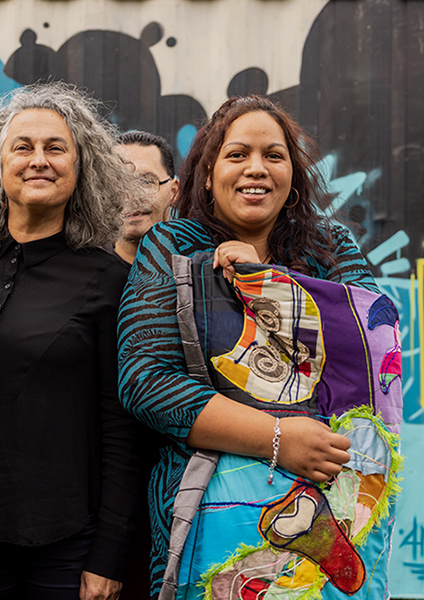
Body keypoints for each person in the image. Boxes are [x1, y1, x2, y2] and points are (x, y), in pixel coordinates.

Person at [117, 96, 383, 598]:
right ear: (208, 171)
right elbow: (144, 381)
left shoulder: (331, 245)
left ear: (293, 175)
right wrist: (277, 437)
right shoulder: (173, 246)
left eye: (274, 155)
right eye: (237, 154)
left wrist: (269, 283)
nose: (255, 169)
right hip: (204, 513)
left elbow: (373, 350)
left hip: (331, 498)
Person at [0, 82, 143, 600]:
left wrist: (109, 552)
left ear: (81, 167)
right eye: (22, 147)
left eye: (55, 147)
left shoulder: (111, 279)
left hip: (65, 539)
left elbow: (121, 427)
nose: (38, 160)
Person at [114, 131, 179, 264]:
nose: (131, 196)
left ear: (174, 191)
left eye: (146, 182)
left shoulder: (200, 267)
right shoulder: (87, 273)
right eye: (119, 183)